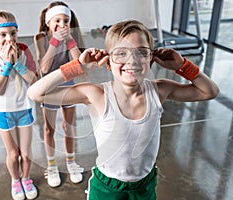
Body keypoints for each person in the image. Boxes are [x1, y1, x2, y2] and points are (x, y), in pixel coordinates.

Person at [27, 19, 219, 199]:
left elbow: (209, 91)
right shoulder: (96, 94)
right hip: (106, 187)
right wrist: (77, 66)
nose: (132, 60)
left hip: (144, 184)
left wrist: (183, 65)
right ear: (108, 62)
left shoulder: (159, 90)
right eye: (121, 53)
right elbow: (36, 93)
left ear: (151, 59)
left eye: (141, 52)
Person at [0, 10, 38, 200]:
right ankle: (15, 180)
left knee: (26, 154)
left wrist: (17, 64)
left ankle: (26, 178)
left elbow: (33, 79)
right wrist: (6, 64)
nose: (9, 38)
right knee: (13, 154)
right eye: (2, 35)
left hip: (24, 108)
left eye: (13, 33)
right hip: (3, 111)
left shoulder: (23, 50)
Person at [33, 1, 85, 187]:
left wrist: (70, 42)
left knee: (69, 126)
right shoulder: (40, 37)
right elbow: (45, 68)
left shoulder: (71, 38)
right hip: (49, 89)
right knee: (49, 129)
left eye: (65, 20)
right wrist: (55, 41)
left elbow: (79, 65)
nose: (62, 25)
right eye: (57, 20)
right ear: (48, 22)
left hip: (68, 87)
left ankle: (71, 162)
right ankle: (52, 165)